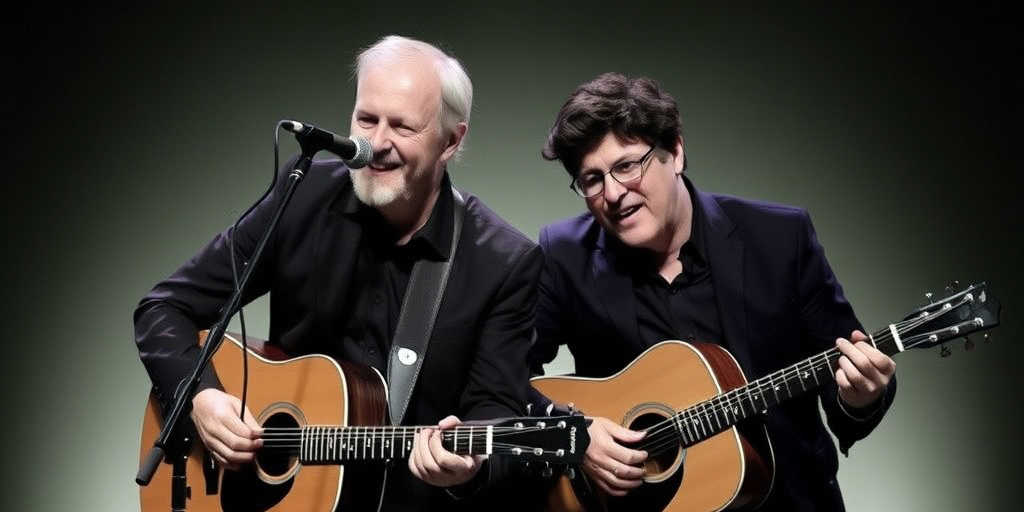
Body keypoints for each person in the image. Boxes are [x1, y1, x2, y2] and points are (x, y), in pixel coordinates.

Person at [135, 35, 544, 511]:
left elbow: (498, 413)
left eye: (403, 127)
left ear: (451, 140)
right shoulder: (302, 197)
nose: (376, 145)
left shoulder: (503, 261)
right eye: (366, 119)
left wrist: (469, 470)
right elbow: (163, 308)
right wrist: (200, 398)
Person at [528, 72, 898, 511]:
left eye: (627, 165)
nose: (613, 193)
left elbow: (848, 371)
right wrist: (577, 432)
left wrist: (860, 397)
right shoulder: (565, 255)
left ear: (676, 152)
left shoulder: (780, 240)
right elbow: (502, 377)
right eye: (592, 179)